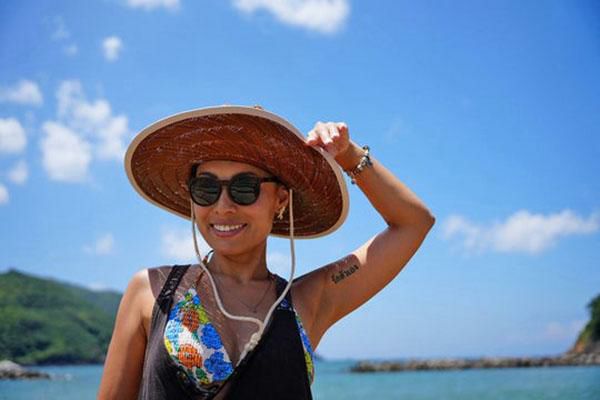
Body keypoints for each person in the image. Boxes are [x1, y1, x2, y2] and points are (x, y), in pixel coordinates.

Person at [97, 105, 435, 399]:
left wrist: (347, 154)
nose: (223, 206)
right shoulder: (152, 292)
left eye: (244, 188)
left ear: (280, 200)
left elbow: (414, 223)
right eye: (207, 188)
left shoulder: (306, 302)